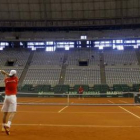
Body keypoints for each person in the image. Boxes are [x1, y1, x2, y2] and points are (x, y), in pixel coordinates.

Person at [0, 70, 18, 135]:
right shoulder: (15, 79)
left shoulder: (6, 80)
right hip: (12, 97)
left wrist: (3, 73)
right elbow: (10, 75)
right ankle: (8, 124)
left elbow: (7, 76)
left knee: (5, 113)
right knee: (13, 112)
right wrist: (4, 72)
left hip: (6, 97)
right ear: (14, 74)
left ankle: (3, 126)